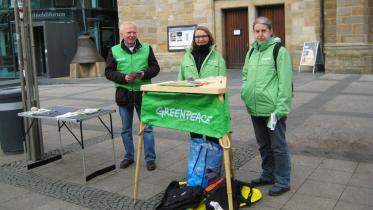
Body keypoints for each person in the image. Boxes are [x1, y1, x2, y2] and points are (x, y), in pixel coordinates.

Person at [240, 16, 293, 196]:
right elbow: (245, 75)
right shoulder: (251, 52)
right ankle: (268, 175)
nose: (260, 34)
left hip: (273, 111)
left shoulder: (279, 51)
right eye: (257, 31)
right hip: (255, 108)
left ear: (270, 31)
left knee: (278, 146)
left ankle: (283, 180)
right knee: (263, 145)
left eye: (264, 31)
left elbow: (285, 83)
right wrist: (245, 93)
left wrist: (281, 109)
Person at [105, 21, 159, 171]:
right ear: (122, 34)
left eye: (134, 32)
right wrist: (123, 78)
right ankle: (129, 156)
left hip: (144, 93)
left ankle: (150, 159)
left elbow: (155, 68)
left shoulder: (146, 48)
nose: (132, 35)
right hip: (124, 94)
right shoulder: (114, 50)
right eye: (128, 32)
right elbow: (108, 72)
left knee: (147, 128)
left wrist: (143, 74)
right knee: (126, 129)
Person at [178, 26, 227, 143]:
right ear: (194, 39)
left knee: (212, 136)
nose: (201, 39)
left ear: (209, 38)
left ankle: (212, 161)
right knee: (195, 137)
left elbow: (223, 83)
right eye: (197, 37)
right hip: (192, 104)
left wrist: (223, 109)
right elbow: (180, 80)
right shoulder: (186, 57)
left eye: (204, 36)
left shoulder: (218, 57)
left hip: (211, 104)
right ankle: (199, 160)